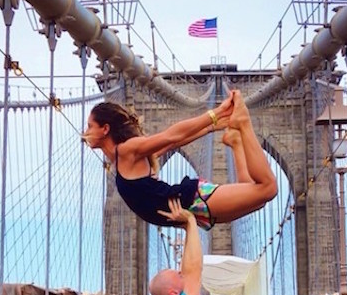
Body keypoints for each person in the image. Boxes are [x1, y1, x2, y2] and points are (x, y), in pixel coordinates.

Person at [82, 90, 278, 230]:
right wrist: (213, 127)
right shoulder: (126, 159)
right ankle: (236, 142)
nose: (86, 131)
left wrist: (216, 115)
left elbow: (171, 136)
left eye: (90, 126)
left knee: (267, 189)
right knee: (254, 195)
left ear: (105, 129)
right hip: (192, 211)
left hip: (192, 200)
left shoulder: (126, 151)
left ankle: (243, 125)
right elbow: (174, 143)